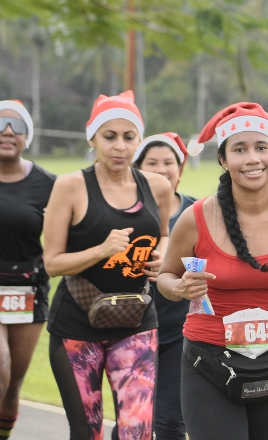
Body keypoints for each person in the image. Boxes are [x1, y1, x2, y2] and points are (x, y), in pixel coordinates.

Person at [156, 102, 268, 440]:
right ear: (223, 159)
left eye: (261, 147)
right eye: (239, 149)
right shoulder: (197, 217)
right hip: (208, 366)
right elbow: (165, 276)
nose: (252, 158)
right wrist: (178, 288)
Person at [43, 91, 172, 440]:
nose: (119, 146)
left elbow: (162, 234)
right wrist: (102, 249)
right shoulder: (71, 187)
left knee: (138, 431)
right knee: (88, 432)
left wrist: (161, 255)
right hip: (76, 325)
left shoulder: (156, 187)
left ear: (139, 141)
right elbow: (52, 263)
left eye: (129, 137)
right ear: (92, 138)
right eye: (109, 136)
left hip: (136, 322)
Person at [132, 132, 196, 440]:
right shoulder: (123, 211)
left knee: (171, 423)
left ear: (180, 169)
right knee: (132, 424)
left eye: (169, 162)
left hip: (179, 334)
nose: (161, 168)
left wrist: (174, 268)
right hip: (130, 332)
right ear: (138, 167)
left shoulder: (198, 212)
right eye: (152, 162)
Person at [0, 100, 55, 439]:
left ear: (27, 136)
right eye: (1, 124)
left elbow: (71, 233)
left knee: (12, 385)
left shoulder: (48, 184)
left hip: (26, 289)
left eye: (17, 126)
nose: (7, 132)